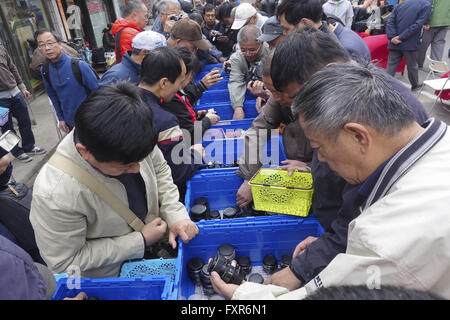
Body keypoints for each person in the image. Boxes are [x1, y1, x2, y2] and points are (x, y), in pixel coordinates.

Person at [211, 62, 450, 300]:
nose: (320, 160)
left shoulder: (388, 239)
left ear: (358, 136)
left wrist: (244, 295)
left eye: (319, 148)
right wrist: (342, 246)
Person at [237, 28, 429, 290]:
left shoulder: (368, 109)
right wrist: (329, 243)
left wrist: (301, 270)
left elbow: (364, 215)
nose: (321, 159)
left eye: (321, 148)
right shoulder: (346, 105)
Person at [30, 82, 199, 279]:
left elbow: (160, 170)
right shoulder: (55, 193)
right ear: (85, 152)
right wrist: (139, 240)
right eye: (126, 166)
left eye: (140, 160)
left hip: (151, 252)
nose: (137, 168)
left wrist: (176, 215)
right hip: (112, 276)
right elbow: (65, 261)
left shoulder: (135, 133)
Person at [138, 46, 203, 201]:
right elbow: (178, 172)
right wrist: (196, 155)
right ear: (164, 83)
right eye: (180, 82)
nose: (181, 87)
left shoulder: (124, 100)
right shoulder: (164, 121)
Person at [36, 29, 99, 134]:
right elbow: (53, 96)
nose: (47, 48)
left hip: (91, 121)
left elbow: (99, 94)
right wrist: (60, 118)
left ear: (60, 44)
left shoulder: (79, 66)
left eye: (50, 43)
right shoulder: (45, 70)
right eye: (42, 45)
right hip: (70, 124)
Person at [162, 46, 221, 146]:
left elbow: (183, 104)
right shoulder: (169, 98)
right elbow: (190, 136)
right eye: (190, 74)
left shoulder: (175, 92)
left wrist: (194, 114)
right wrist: (208, 120)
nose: (189, 78)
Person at [276, 0, 371, 62]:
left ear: (305, 23)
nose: (284, 33)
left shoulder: (342, 51)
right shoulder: (323, 40)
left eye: (286, 29)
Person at [0, 43, 45, 162]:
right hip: (0, 101)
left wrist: (22, 87)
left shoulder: (1, 47)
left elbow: (12, 67)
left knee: (25, 121)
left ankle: (29, 146)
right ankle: (17, 152)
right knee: (6, 128)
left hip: (15, 93)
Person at [385, 0, 432, 91]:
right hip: (409, 42)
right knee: (412, 66)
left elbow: (390, 21)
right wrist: (401, 37)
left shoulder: (401, 4)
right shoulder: (426, 5)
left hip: (395, 41)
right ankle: (415, 85)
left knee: (391, 66)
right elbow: (418, 24)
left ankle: (383, 86)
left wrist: (393, 37)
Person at [228, 25, 270, 120]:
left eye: (252, 50)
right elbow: (236, 81)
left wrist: (266, 94)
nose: (247, 54)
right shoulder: (237, 58)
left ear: (261, 43)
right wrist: (238, 107)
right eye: (243, 50)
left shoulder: (271, 53)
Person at [100, 31, 167, 85]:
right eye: (159, 55)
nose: (161, 60)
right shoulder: (115, 77)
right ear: (144, 53)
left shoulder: (145, 70)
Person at [417, 0, 449, 68]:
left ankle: (418, 63)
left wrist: (426, 21)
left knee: (424, 43)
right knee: (439, 43)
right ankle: (436, 66)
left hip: (432, 21)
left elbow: (428, 5)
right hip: (445, 21)